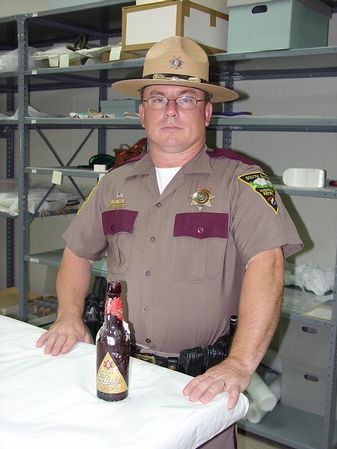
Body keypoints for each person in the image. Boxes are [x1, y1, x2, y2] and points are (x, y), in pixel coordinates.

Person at [36, 36, 303, 448]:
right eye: (158, 99)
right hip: (118, 366)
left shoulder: (241, 180)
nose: (172, 110)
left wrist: (241, 363)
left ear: (208, 112)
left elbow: (267, 266)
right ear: (142, 113)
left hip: (199, 383)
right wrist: (69, 315)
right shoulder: (114, 183)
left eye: (187, 98)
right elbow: (76, 252)